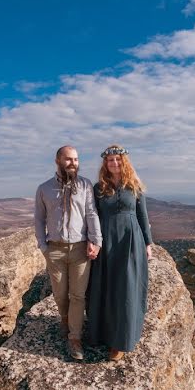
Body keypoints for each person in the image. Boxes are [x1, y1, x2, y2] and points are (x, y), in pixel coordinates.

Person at [34, 145, 102, 361]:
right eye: (68, 159)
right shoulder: (44, 189)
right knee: (60, 294)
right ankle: (64, 319)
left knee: (78, 295)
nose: (73, 163)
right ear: (57, 161)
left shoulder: (85, 185)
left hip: (80, 249)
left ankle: (75, 338)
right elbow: (39, 219)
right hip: (55, 249)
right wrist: (43, 246)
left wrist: (96, 240)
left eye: (76, 159)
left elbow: (91, 213)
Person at [87, 145, 153, 361]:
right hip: (106, 241)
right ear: (105, 164)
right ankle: (103, 334)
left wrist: (148, 244)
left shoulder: (134, 186)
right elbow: (92, 216)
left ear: (124, 162)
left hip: (129, 241)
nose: (113, 163)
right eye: (110, 160)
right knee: (105, 287)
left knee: (126, 289)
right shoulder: (99, 188)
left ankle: (121, 341)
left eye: (117, 159)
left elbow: (142, 217)